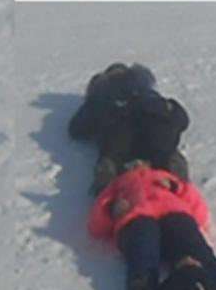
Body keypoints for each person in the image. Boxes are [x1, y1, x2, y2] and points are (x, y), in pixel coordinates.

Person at [87, 162, 208, 290]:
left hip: (174, 213)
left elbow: (199, 208)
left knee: (191, 244)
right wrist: (111, 209)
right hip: (136, 217)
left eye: (140, 162)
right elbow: (96, 226)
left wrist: (175, 188)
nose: (136, 165)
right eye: (131, 164)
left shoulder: (164, 176)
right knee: (143, 247)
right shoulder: (118, 184)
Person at [66, 63, 190, 193]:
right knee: (165, 149)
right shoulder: (148, 93)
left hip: (118, 138)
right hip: (154, 131)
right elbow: (181, 119)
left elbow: (76, 129)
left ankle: (108, 181)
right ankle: (176, 178)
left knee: (112, 156)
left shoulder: (101, 98)